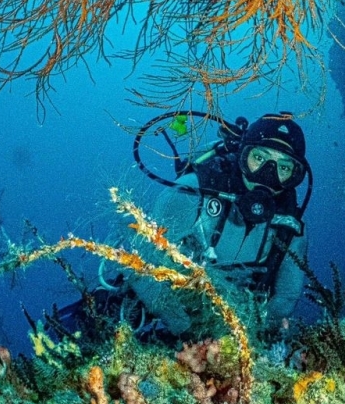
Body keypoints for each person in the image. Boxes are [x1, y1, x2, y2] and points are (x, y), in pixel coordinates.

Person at [131, 112, 310, 336]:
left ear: (295, 177)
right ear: (242, 156)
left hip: (230, 328)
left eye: (284, 168)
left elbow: (287, 295)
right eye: (259, 158)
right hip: (162, 311)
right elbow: (139, 266)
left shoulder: (290, 228)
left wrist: (247, 340)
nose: (268, 176)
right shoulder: (191, 193)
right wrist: (186, 329)